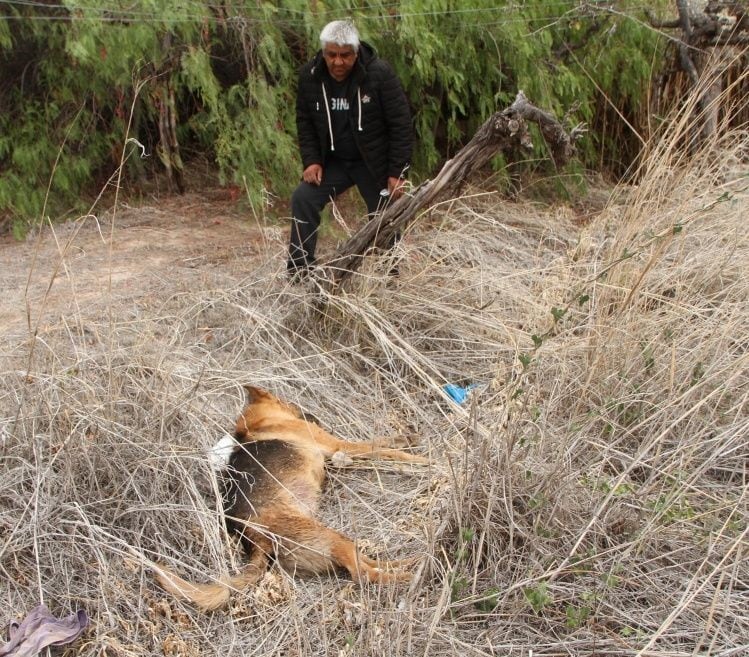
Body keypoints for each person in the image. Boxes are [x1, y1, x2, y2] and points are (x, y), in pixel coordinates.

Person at [287, 20, 413, 277]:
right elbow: (305, 121)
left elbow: (401, 124)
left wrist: (398, 172)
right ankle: (300, 273)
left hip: (372, 162)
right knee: (303, 198)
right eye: (331, 55)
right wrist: (311, 160)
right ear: (324, 53)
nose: (338, 62)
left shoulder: (378, 74)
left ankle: (388, 276)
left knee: (384, 215)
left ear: (356, 53)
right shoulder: (310, 76)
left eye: (345, 55)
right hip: (334, 162)